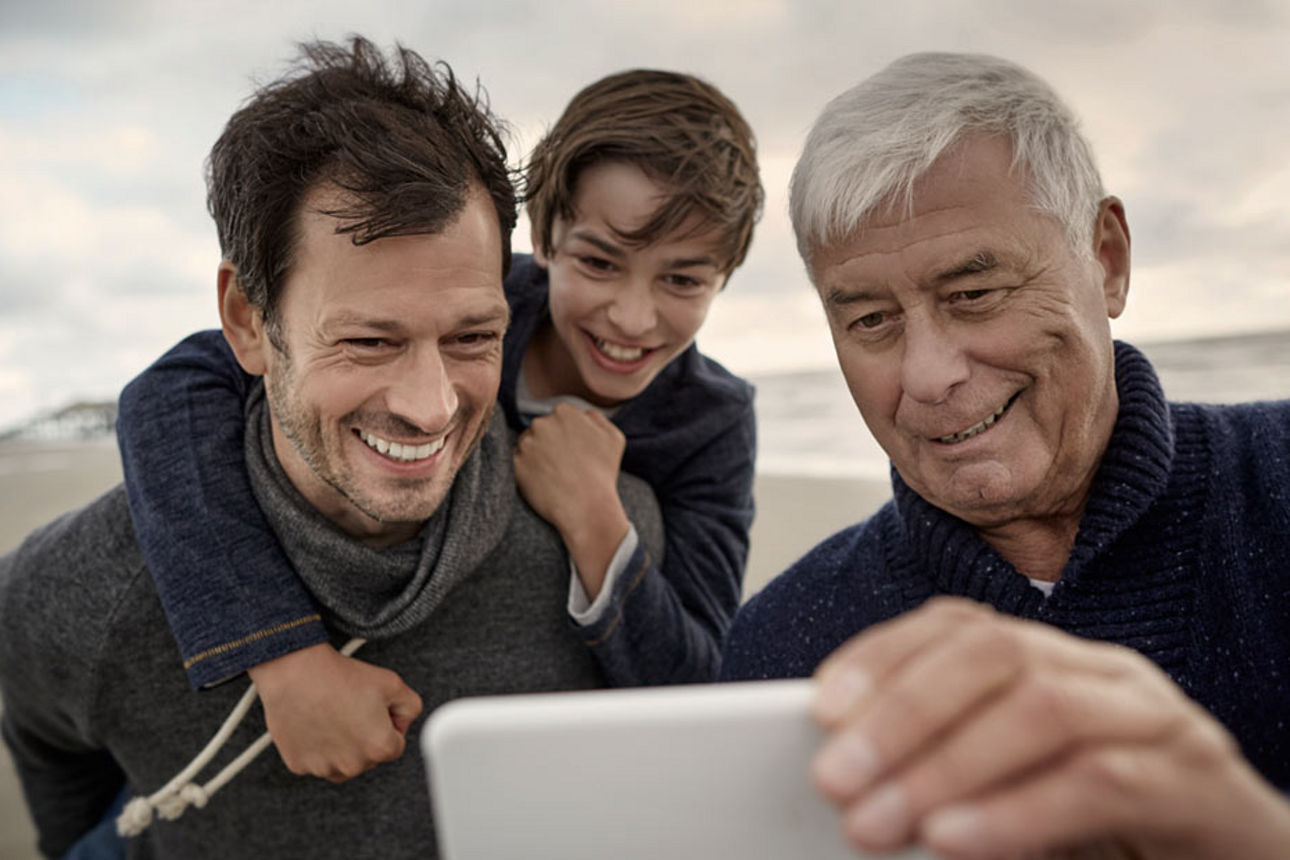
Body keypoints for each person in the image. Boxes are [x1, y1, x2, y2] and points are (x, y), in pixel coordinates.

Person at [0, 38, 668, 859]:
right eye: (368, 341)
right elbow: (46, 746)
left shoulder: (605, 548)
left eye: (471, 336)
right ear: (248, 321)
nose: (429, 409)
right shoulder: (89, 591)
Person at [114, 66, 762, 781]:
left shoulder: (712, 420)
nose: (633, 317)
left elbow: (700, 682)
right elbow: (171, 390)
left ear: (724, 277)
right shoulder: (464, 297)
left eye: (682, 279)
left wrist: (597, 522)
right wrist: (280, 651)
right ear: (544, 239)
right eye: (599, 262)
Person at [721, 52, 1290, 858]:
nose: (927, 376)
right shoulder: (778, 649)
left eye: (974, 295)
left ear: (1107, 258)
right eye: (871, 322)